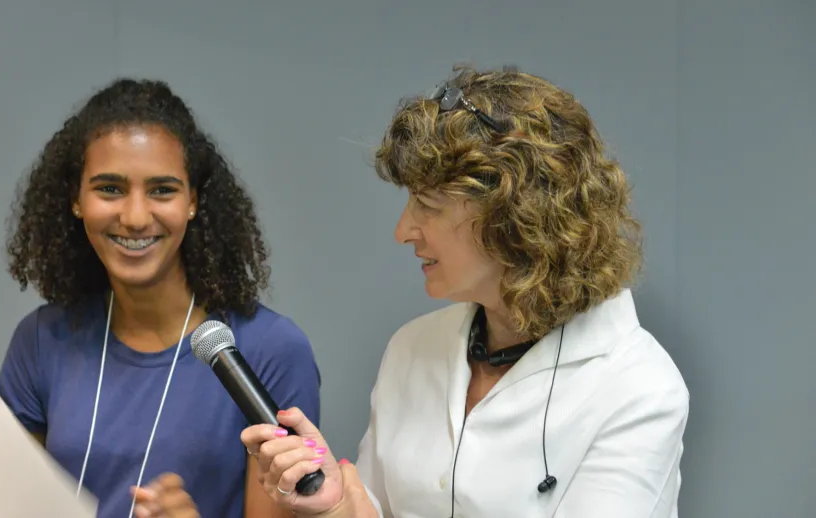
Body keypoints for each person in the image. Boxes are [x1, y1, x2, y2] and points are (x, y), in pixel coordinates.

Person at [240, 65, 690, 517]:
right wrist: (336, 501)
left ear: (516, 219)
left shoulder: (638, 389)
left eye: (427, 206)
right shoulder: (413, 348)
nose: (403, 231)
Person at [0, 78, 320, 518]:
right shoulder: (41, 340)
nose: (134, 216)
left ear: (193, 202)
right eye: (109, 188)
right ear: (76, 200)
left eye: (162, 190)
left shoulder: (269, 351)